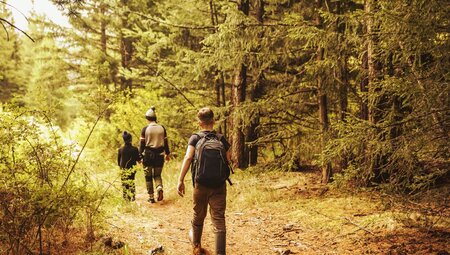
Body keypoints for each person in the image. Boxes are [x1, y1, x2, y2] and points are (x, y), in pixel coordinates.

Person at [177, 107, 231, 255]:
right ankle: (220, 253)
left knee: (198, 216)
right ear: (213, 121)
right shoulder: (221, 139)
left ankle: (196, 248)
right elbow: (228, 160)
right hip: (219, 185)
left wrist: (180, 180)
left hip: (200, 185)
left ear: (200, 123)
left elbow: (188, 158)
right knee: (219, 219)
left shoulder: (195, 138)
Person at [140, 106, 171, 203]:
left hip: (148, 156)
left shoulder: (145, 129)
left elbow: (142, 145)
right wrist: (167, 154)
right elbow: (165, 143)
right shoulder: (162, 128)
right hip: (160, 155)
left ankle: (151, 197)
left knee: (148, 177)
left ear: (147, 118)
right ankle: (159, 188)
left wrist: (140, 156)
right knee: (157, 175)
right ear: (155, 118)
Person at [117, 131, 141, 201]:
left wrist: (120, 167)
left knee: (124, 183)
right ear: (131, 139)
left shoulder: (120, 149)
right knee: (131, 181)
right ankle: (133, 195)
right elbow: (138, 159)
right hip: (132, 169)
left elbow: (118, 161)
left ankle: (126, 197)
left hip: (123, 169)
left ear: (123, 139)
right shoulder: (135, 149)